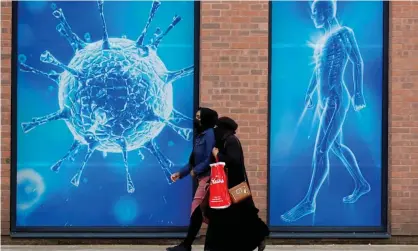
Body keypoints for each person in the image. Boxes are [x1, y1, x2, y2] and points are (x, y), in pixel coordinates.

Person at [281, 0, 370, 223]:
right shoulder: (322, 41)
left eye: (315, 13)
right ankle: (361, 183)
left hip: (336, 98)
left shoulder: (343, 32)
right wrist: (309, 93)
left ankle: (309, 202)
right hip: (324, 100)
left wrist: (359, 93)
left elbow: (357, 61)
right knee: (335, 146)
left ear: (325, 12)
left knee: (321, 150)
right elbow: (318, 69)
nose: (313, 17)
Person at [204, 117, 269, 251]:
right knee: (229, 216)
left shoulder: (232, 141)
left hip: (235, 186)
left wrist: (218, 155)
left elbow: (234, 161)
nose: (216, 130)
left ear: (224, 128)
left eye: (218, 128)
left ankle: (259, 237)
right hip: (228, 186)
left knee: (244, 214)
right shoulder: (225, 141)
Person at [167, 107, 218, 251]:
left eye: (199, 117)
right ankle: (196, 245)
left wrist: (197, 170)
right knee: (206, 213)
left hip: (209, 178)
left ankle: (188, 245)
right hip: (202, 178)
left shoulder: (209, 135)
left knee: (197, 210)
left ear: (206, 119)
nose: (196, 120)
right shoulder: (199, 136)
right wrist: (180, 173)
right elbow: (192, 160)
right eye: (196, 116)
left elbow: (210, 157)